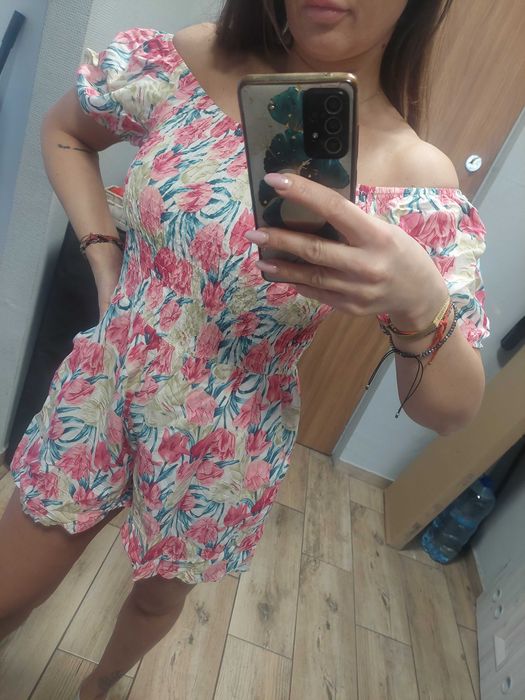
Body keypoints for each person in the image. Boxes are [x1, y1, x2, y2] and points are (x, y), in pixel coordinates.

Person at [0, 1, 490, 698]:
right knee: (7, 595)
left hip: (225, 436)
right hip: (105, 382)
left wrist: (420, 303)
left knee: (156, 598)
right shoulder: (195, 58)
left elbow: (451, 410)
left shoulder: (416, 178)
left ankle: (99, 685)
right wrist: (104, 254)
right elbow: (66, 131)